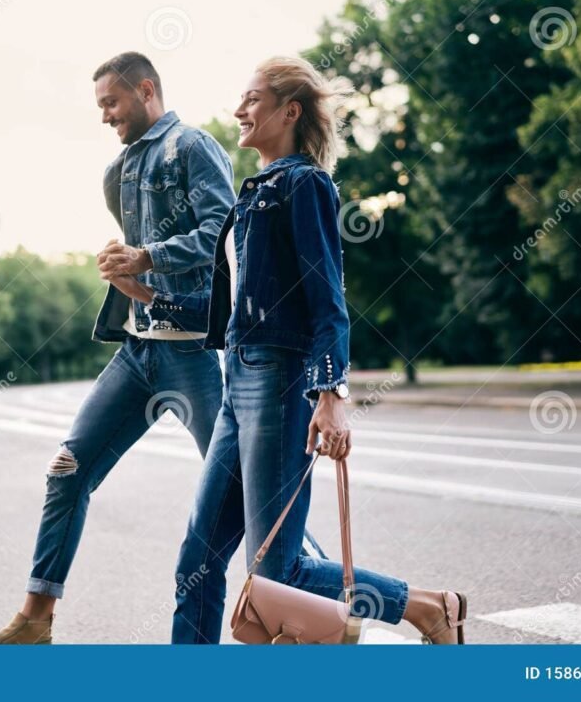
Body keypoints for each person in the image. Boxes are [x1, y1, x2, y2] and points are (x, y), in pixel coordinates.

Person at [169, 56, 468, 645]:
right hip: (238, 384)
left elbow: (327, 298)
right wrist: (146, 290)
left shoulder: (304, 185)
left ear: (290, 110)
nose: (238, 111)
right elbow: (231, 310)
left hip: (279, 386)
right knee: (196, 562)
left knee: (279, 573)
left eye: (251, 99)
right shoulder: (250, 197)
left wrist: (330, 393)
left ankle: (426, 607)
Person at [0, 51, 235, 644]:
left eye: (111, 102)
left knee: (243, 485)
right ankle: (34, 623)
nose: (104, 116)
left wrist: (148, 257)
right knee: (66, 471)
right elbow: (144, 268)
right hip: (137, 351)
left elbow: (217, 233)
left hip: (191, 357)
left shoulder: (193, 146)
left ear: (146, 90)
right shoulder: (118, 172)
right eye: (100, 105)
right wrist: (130, 277)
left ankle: (316, 606)